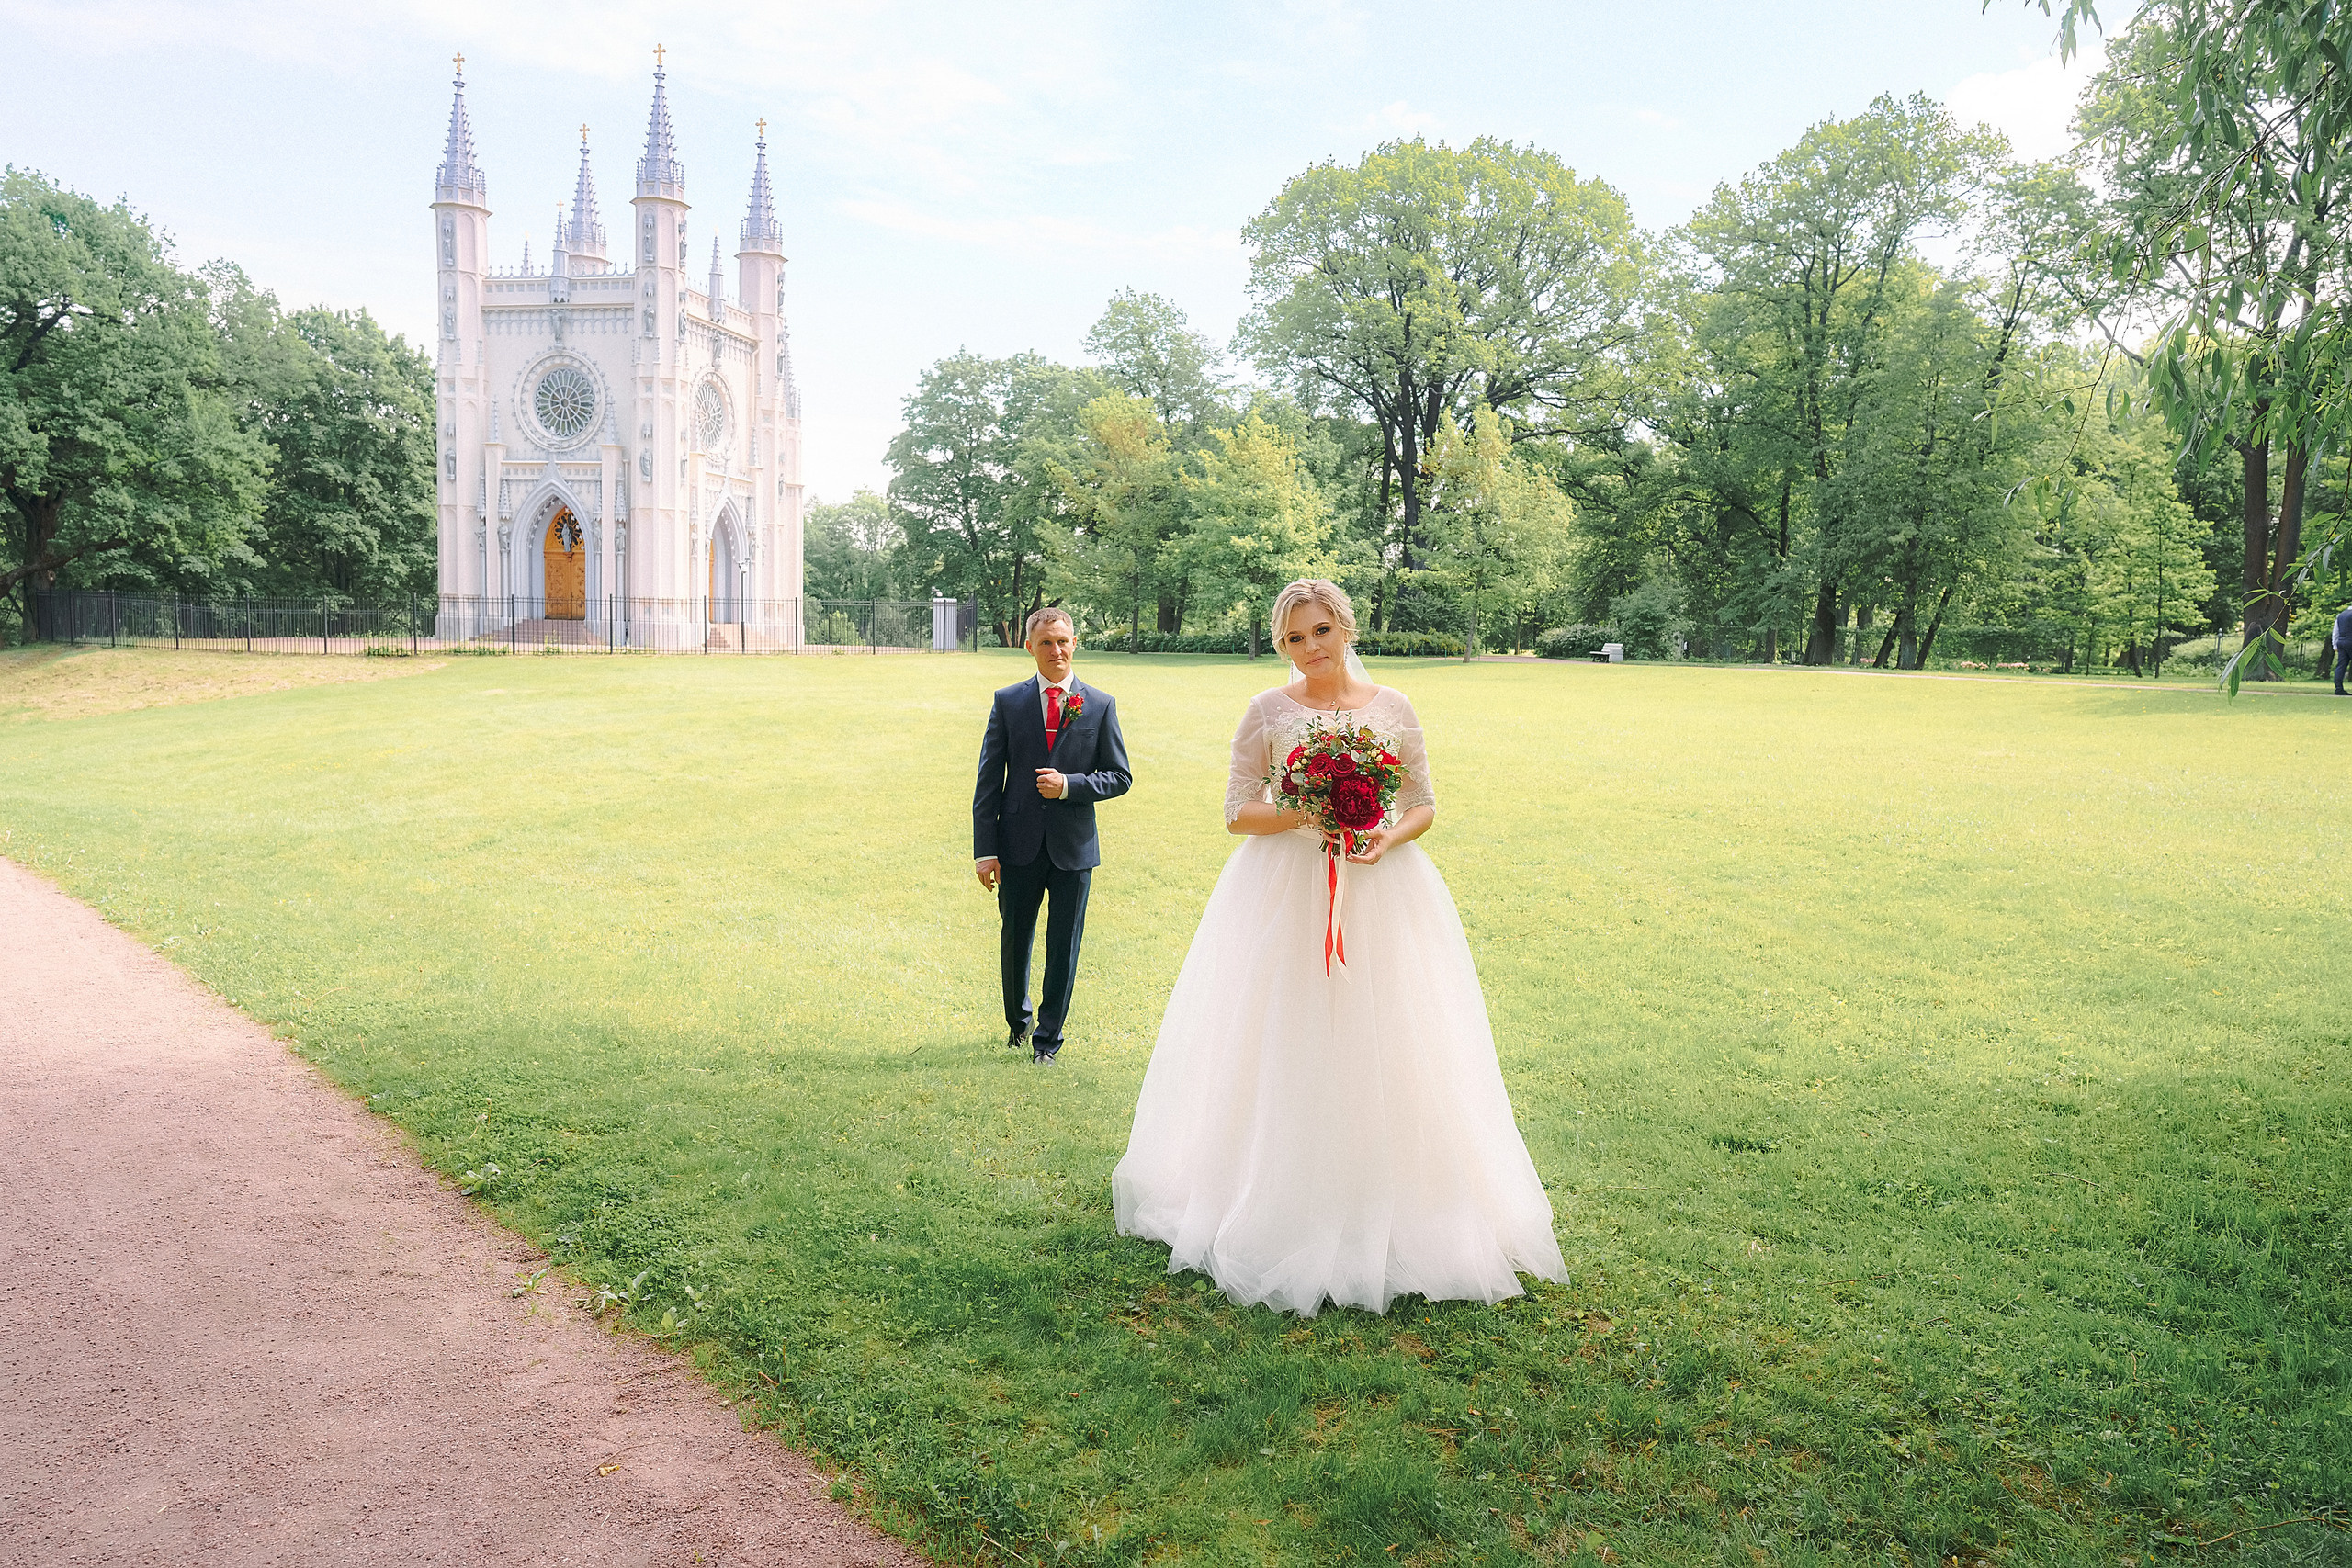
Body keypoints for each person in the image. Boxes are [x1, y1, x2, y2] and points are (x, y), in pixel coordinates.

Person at [1112, 579, 1566, 1316]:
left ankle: (1395, 1198)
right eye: (1294, 638)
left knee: (1394, 1038)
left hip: (1384, 889)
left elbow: (1422, 802)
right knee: (1289, 1035)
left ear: (1345, 627)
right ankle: (1279, 1193)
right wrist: (1307, 812)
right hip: (1285, 893)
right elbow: (1236, 811)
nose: (1309, 648)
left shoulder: (1395, 707)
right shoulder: (1267, 710)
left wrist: (1384, 834)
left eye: (1320, 630)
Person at [973, 607, 1132, 1063]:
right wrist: (986, 851)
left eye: (1063, 641)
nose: (1056, 650)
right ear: (1030, 647)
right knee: (1015, 939)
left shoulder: (1099, 704)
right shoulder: (1008, 702)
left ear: (1074, 643)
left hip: (1073, 848)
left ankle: (1048, 1039)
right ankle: (1017, 1024)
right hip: (1017, 845)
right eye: (1046, 642)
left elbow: (1119, 776)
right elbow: (988, 782)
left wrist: (1070, 786)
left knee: (1064, 944)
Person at [2334, 601, 2352, 695]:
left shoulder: (2341, 615)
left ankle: (2338, 688)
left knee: (2341, 665)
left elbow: (2335, 631)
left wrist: (2334, 645)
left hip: (2341, 642)